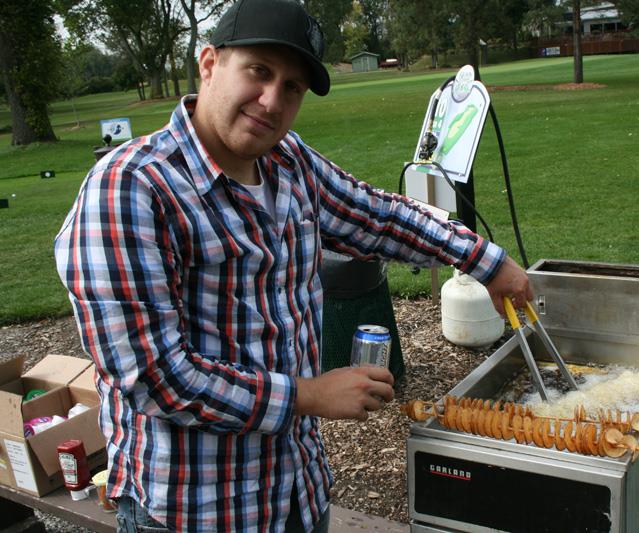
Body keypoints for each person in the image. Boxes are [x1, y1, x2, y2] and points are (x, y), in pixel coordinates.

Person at [54, 0, 532, 531]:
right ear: (209, 64)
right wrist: (311, 394)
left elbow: (377, 216)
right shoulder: (130, 189)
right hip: (194, 510)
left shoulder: (287, 160)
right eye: (258, 71)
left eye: (292, 87)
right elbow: (154, 376)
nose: (271, 101)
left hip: (297, 492)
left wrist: (485, 261)